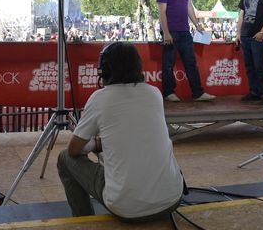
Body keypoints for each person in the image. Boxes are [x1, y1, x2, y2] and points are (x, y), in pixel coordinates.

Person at [57, 42, 183, 221]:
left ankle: (83, 221)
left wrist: (92, 144)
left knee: (64, 159)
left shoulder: (99, 99)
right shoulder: (154, 94)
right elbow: (138, 134)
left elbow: (73, 150)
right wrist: (98, 144)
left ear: (104, 70)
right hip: (172, 198)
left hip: (127, 208)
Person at [156, 0, 215, 102]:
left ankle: (198, 93)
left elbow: (189, 6)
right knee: (168, 63)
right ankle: (169, 92)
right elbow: (161, 12)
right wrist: (167, 33)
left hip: (184, 30)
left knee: (191, 62)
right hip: (170, 30)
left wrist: (196, 24)